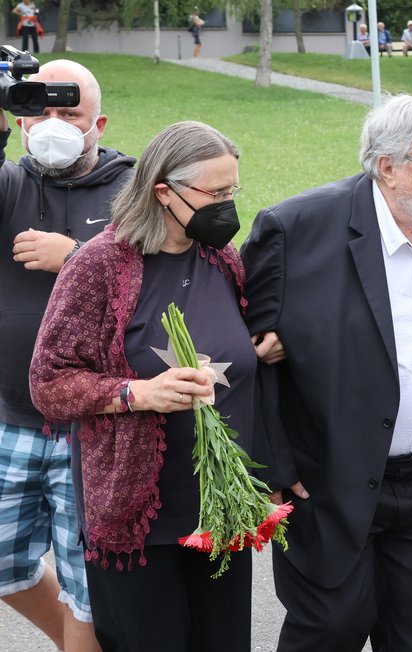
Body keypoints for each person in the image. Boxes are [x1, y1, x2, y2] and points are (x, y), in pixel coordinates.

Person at [240, 95, 412, 651]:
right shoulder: (296, 229)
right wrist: (274, 465)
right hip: (327, 480)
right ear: (386, 166)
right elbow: (249, 359)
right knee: (330, 630)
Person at [30, 121, 254, 651]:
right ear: (164, 191)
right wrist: (137, 393)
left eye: (232, 191)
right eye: (215, 194)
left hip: (218, 508)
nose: (227, 205)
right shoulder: (99, 265)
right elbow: (49, 382)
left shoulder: (223, 261)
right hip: (135, 517)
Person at [0, 59, 133, 652]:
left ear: (98, 123)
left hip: (93, 426)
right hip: (10, 420)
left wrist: (77, 255)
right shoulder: (10, 184)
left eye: (70, 113)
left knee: (88, 581)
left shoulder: (133, 191)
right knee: (5, 565)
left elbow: (165, 283)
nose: (53, 124)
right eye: (40, 112)